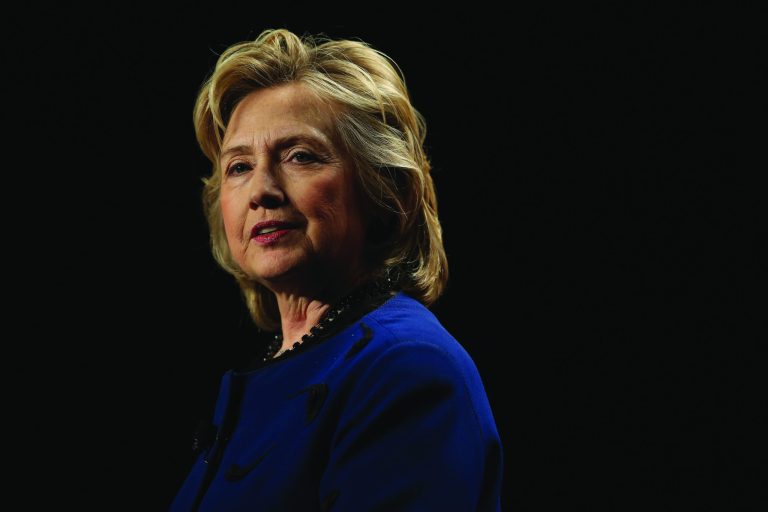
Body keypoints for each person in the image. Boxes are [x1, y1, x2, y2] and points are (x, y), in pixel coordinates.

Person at [170, 28, 504, 511]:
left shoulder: (408, 369)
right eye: (238, 166)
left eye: (300, 156)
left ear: (383, 191)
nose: (261, 189)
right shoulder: (282, 367)